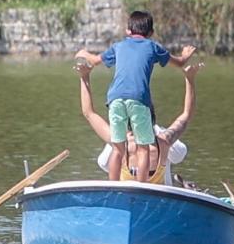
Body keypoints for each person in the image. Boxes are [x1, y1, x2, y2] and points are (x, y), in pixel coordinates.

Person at [75, 10, 195, 182]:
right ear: (151, 33)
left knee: (117, 148)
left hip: (114, 98)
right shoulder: (153, 46)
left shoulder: (118, 46)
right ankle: (142, 186)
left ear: (128, 31)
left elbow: (94, 62)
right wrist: (185, 56)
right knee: (143, 148)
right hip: (138, 98)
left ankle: (113, 186)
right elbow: (180, 63)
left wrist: (84, 56)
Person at [74, 60, 203, 185]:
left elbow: (89, 113)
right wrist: (190, 79)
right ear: (151, 118)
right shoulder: (164, 141)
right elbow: (186, 115)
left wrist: (84, 77)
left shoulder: (120, 142)